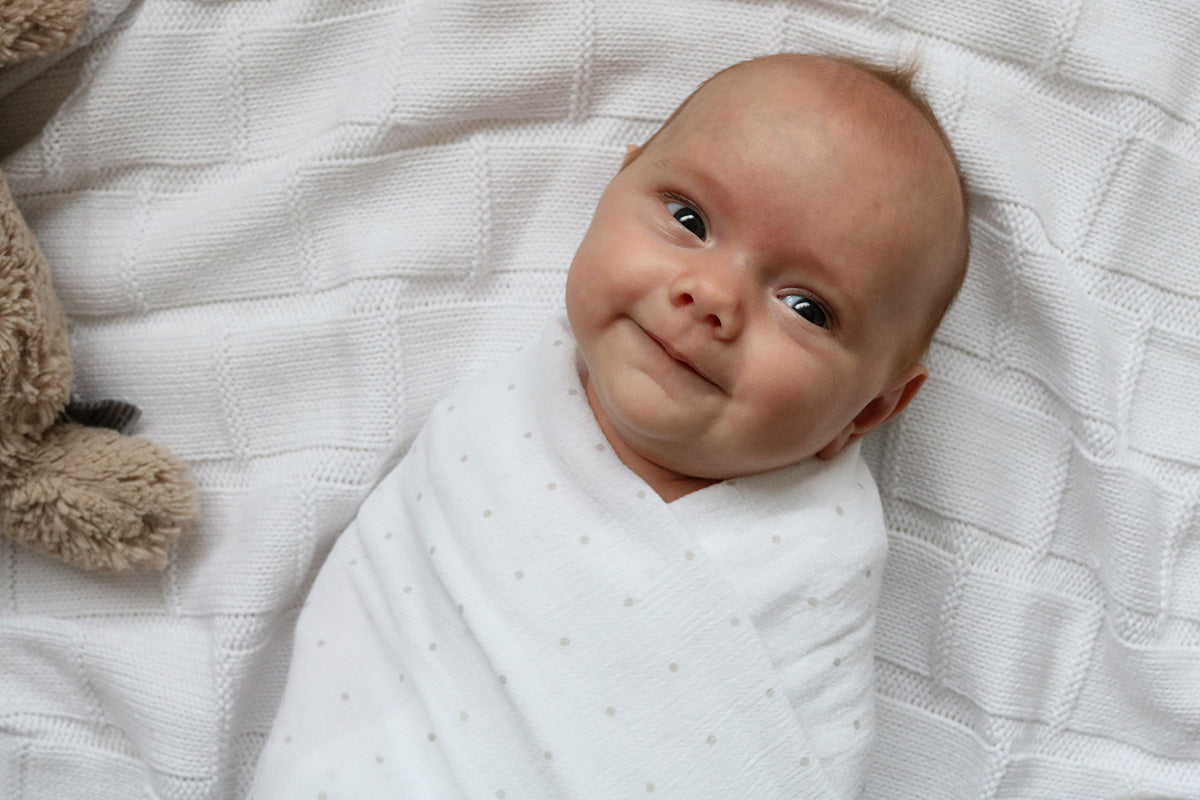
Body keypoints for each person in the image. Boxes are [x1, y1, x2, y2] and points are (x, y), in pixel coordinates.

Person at [250, 53, 968, 799]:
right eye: (689, 220)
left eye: (806, 307)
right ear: (612, 188)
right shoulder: (497, 426)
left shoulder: (817, 560)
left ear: (871, 410)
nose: (712, 295)